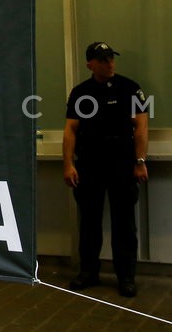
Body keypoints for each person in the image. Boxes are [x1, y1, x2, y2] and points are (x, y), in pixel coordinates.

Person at [63, 42, 149, 298]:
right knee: (89, 220)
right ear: (90, 64)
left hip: (122, 161)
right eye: (103, 60)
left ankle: (126, 277)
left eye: (111, 58)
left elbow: (142, 128)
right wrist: (68, 164)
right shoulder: (81, 92)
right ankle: (88, 272)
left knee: (124, 222)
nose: (109, 63)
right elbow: (71, 130)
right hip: (90, 162)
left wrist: (140, 161)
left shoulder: (130, 88)